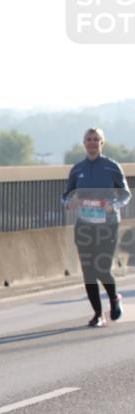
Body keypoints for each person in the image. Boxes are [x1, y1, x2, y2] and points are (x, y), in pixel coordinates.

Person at [61, 127, 131, 327]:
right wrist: (68, 202)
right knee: (88, 271)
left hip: (107, 225)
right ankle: (98, 314)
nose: (92, 142)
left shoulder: (112, 167)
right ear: (84, 143)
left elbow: (126, 194)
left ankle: (114, 298)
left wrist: (114, 205)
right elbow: (66, 195)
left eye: (96, 139)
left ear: (102, 143)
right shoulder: (77, 169)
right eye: (89, 139)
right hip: (84, 226)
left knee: (102, 269)